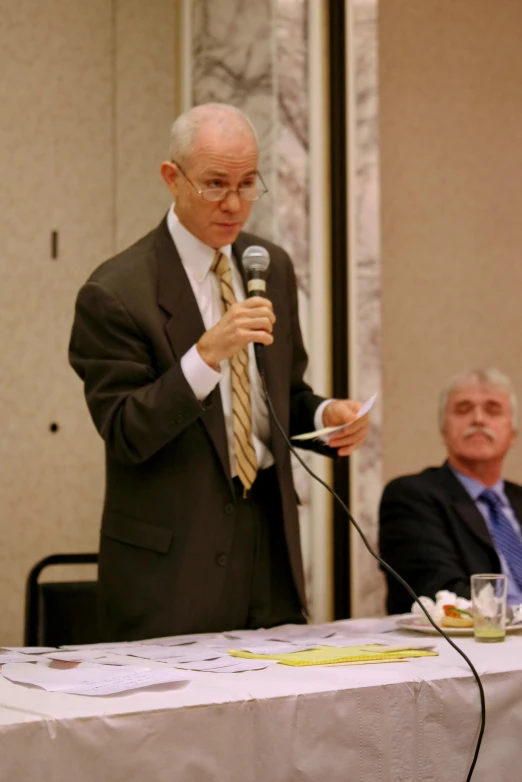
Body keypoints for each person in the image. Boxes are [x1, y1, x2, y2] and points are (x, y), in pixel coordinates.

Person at [69, 102, 370, 642]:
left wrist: (326, 415)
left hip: (268, 549)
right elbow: (125, 430)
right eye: (214, 184)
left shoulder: (268, 264)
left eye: (248, 183)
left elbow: (278, 397)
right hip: (170, 569)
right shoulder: (115, 292)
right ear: (172, 178)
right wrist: (205, 357)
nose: (234, 204)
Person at [379, 368, 522, 615]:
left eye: (493, 410)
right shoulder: (411, 496)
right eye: (463, 410)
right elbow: (440, 591)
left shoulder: (519, 498)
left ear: (513, 434)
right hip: (470, 645)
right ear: (444, 431)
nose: (478, 419)